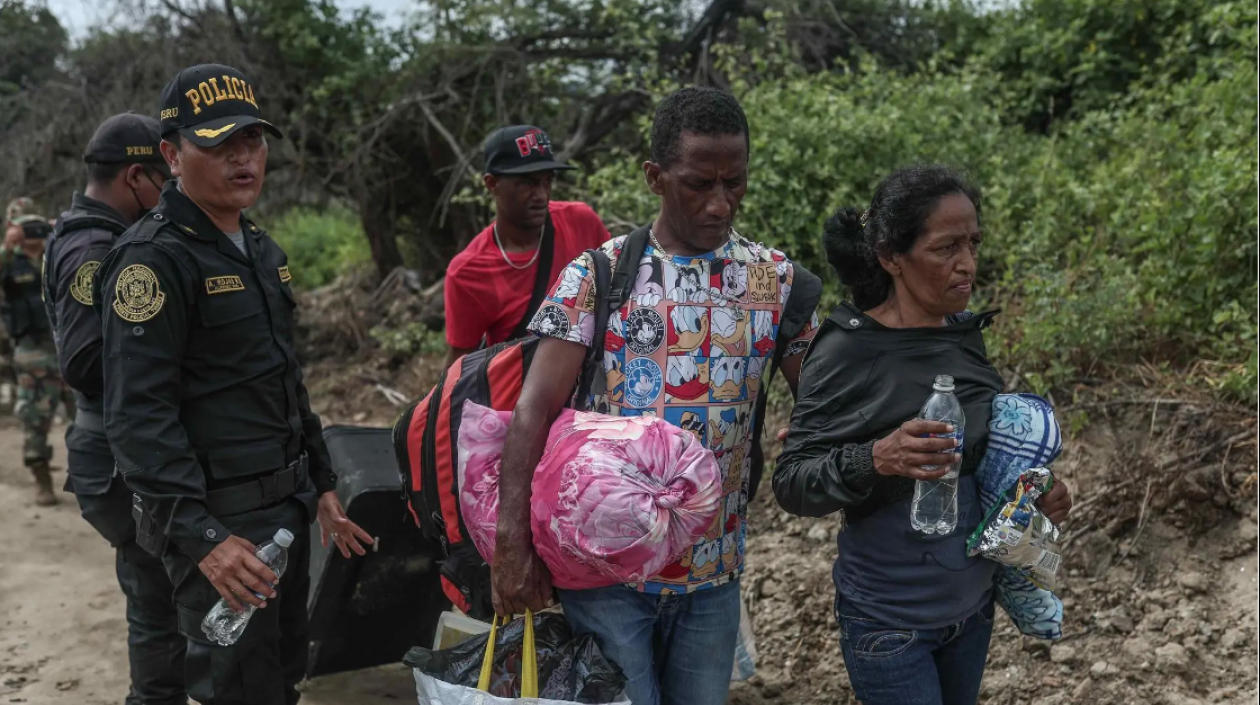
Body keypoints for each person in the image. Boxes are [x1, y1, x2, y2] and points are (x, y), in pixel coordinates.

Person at [491, 87, 819, 705]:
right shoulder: (599, 276)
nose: (720, 203)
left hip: (713, 571)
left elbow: (825, 403)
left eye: (735, 182)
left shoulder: (774, 282)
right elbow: (532, 411)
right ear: (655, 177)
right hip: (602, 572)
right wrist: (513, 544)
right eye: (699, 184)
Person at [95, 63, 374, 705]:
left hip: (285, 512)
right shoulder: (152, 262)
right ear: (171, 154)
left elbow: (282, 376)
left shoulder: (259, 249)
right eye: (220, 144)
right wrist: (204, 543)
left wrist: (323, 486)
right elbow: (138, 420)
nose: (243, 158)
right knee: (237, 691)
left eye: (252, 140)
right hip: (220, 524)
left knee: (280, 680)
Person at [774, 166, 1073, 705]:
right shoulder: (848, 351)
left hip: (970, 611)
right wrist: (877, 458)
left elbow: (983, 462)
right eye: (946, 248)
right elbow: (793, 484)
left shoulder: (962, 338)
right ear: (891, 257)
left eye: (973, 244)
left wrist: (1037, 494)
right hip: (888, 622)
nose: (967, 264)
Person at [45, 112, 186, 705]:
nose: (171, 195)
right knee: (160, 608)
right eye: (165, 180)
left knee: (156, 602)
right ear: (136, 176)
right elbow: (85, 362)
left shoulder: (83, 231)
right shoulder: (96, 248)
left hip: (109, 452)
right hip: (116, 457)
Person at [442, 125, 609, 366]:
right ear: (492, 184)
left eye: (547, 181)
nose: (541, 195)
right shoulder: (469, 272)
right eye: (526, 183)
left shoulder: (581, 222)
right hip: (523, 394)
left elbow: (619, 295)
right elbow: (461, 368)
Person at [2, 197, 72, 505]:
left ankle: (94, 477)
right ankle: (42, 479)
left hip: (69, 346)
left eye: (35, 222)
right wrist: (7, 247)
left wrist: (64, 231)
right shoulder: (8, 261)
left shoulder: (58, 252)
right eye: (23, 225)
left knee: (88, 415)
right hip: (32, 350)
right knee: (34, 416)